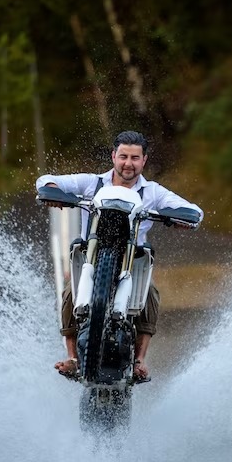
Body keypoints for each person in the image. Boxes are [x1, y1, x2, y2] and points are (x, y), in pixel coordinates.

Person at [36, 130, 203, 381]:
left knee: (150, 293)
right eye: (123, 156)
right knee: (70, 291)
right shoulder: (92, 183)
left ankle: (139, 361)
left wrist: (180, 217)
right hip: (90, 256)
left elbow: (194, 211)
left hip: (133, 261)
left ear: (144, 160)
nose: (128, 163)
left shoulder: (153, 193)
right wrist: (54, 193)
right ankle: (72, 357)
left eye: (135, 158)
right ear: (113, 156)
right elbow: (45, 180)